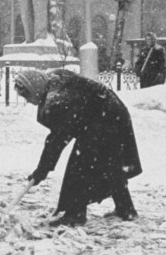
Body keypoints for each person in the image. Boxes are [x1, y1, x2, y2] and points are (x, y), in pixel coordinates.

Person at [15, 68, 142, 226]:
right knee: (110, 166)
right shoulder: (54, 82)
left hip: (105, 120)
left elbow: (57, 140)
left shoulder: (60, 100)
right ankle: (126, 210)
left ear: (36, 88)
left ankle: (75, 214)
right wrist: (43, 169)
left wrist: (42, 170)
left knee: (79, 168)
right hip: (111, 114)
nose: (28, 101)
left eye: (27, 96)